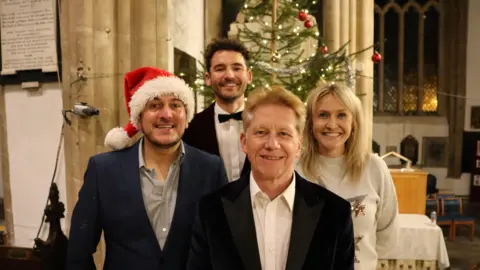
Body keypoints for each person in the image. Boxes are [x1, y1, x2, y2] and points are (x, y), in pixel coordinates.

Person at [66, 67, 228, 270]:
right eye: (155, 105)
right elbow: (78, 252)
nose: (166, 115)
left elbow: (222, 247)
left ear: (186, 117)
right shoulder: (104, 170)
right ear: (139, 119)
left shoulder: (210, 169)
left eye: (175, 105)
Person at [187, 86, 355, 270]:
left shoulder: (335, 214)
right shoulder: (210, 211)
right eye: (261, 132)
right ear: (244, 142)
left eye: (284, 134)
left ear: (298, 145)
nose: (272, 144)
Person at [297, 83, 399, 270]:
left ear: (354, 123)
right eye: (323, 115)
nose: (332, 124)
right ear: (310, 123)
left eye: (342, 115)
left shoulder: (374, 168)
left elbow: (388, 233)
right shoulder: (295, 169)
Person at [183, 38, 252, 182]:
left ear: (249, 76)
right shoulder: (190, 127)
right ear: (208, 78)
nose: (229, 76)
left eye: (237, 68)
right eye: (220, 69)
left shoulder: (265, 124)